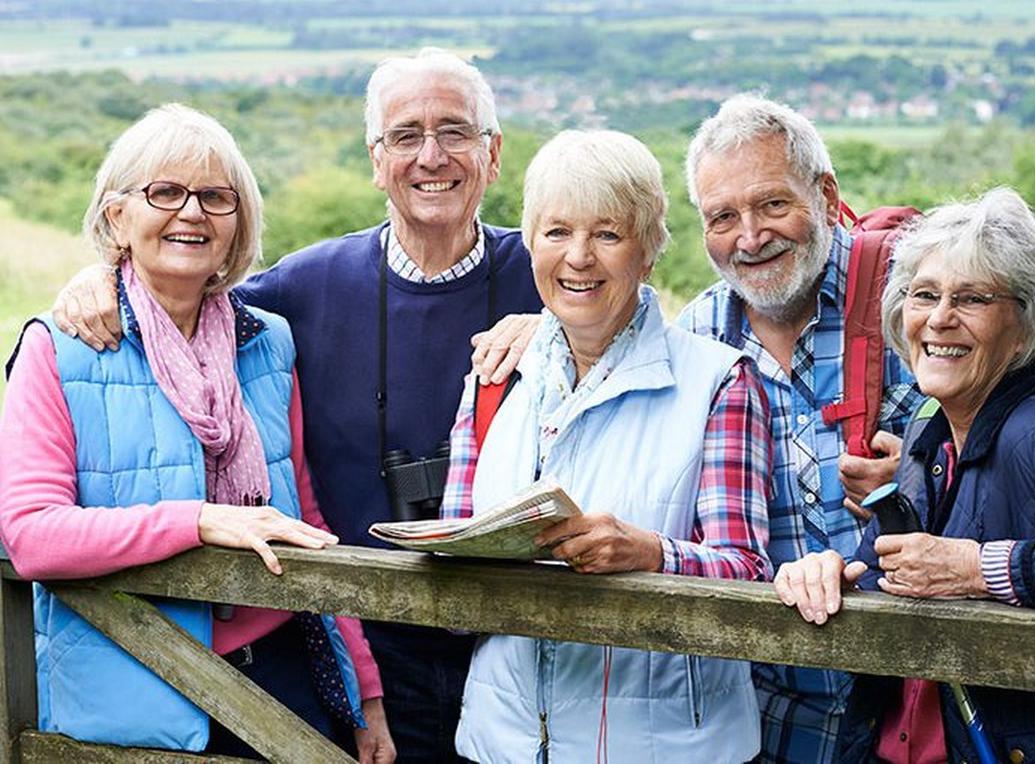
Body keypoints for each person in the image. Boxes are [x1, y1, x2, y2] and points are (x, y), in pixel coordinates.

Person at [49, 49, 544, 760]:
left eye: (455, 132)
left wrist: (557, 327)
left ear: (493, 155)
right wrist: (98, 279)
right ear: (377, 160)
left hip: (523, 650)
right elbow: (181, 298)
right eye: (405, 135)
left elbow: (643, 334)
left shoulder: (556, 274)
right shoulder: (306, 287)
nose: (431, 155)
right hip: (367, 652)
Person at [0, 104, 394, 762]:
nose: (192, 213)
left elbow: (304, 513)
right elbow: (31, 535)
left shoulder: (269, 343)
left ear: (238, 222)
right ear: (118, 215)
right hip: (133, 689)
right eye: (165, 192)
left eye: (216, 196)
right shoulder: (59, 348)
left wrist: (366, 692)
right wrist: (199, 521)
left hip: (285, 674)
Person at [773, 187, 1035, 762]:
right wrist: (832, 572)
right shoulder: (935, 435)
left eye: (971, 299)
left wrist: (978, 567)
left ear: (1023, 325)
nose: (940, 319)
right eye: (925, 295)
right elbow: (894, 571)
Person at [441, 130, 773, 763]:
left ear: (648, 252)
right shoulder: (491, 381)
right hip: (503, 743)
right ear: (531, 243)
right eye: (557, 231)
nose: (579, 257)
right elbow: (458, 589)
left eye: (608, 234)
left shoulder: (718, 383)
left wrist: (650, 553)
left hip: (668, 749)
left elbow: (749, 576)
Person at [675, 95, 926, 763]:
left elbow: (1018, 457)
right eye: (722, 217)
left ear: (825, 194)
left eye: (772, 205)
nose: (750, 237)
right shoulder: (693, 341)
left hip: (913, 714)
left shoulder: (918, 301)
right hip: (764, 725)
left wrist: (920, 480)